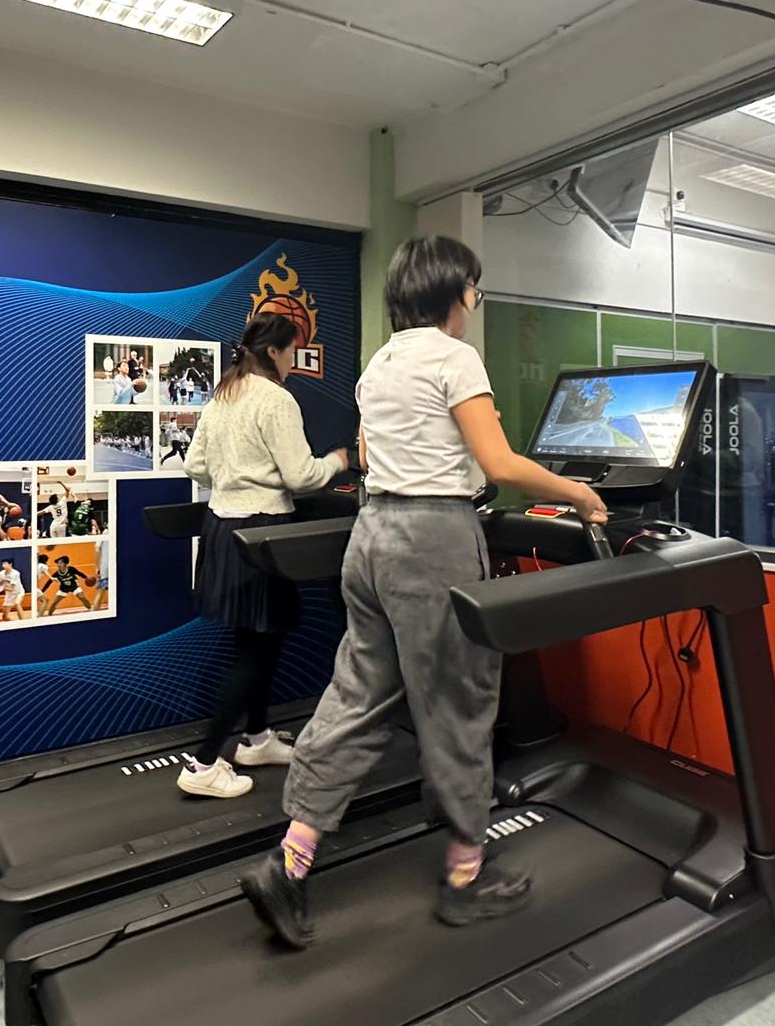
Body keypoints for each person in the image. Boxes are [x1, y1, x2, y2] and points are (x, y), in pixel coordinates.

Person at [244, 236, 609, 947]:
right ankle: (467, 875)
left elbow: (371, 456)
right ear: (454, 292)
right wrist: (579, 494)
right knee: (458, 699)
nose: (474, 300)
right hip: (433, 540)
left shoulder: (379, 363)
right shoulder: (454, 357)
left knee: (357, 695)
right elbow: (498, 463)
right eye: (473, 288)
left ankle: (288, 863)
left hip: (372, 536)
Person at [177, 313, 350, 800]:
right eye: (292, 351)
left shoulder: (223, 394)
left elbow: (194, 466)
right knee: (256, 649)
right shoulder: (276, 399)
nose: (293, 360)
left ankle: (256, 739)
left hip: (223, 529)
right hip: (263, 532)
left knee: (261, 640)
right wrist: (339, 460)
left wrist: (236, 472)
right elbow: (300, 476)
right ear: (274, 352)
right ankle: (204, 763)